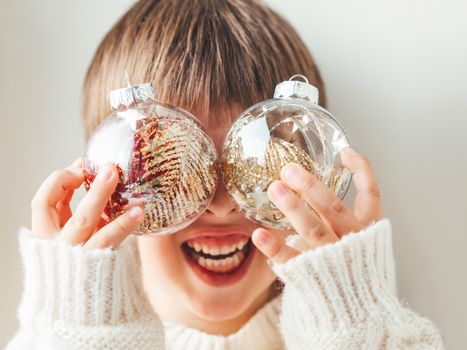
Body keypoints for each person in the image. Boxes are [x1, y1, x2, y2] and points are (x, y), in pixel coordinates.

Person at [6, 0, 445, 349]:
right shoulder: (53, 338)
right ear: (105, 185)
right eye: (175, 169)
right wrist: (79, 328)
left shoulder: (372, 334)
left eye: (255, 166)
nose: (220, 203)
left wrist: (361, 325)